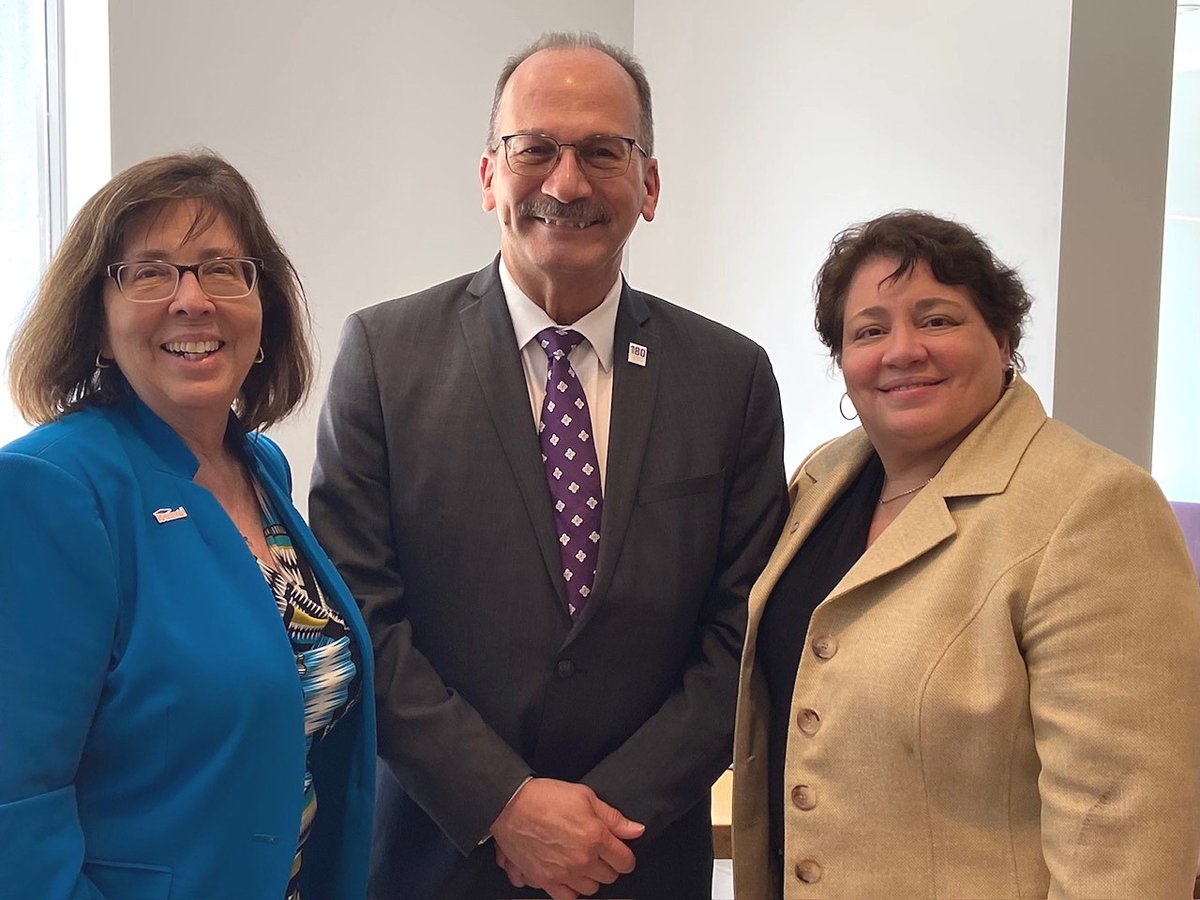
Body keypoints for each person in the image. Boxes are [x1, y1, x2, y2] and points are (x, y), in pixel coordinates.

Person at [311, 31, 786, 900]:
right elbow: (361, 614)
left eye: (603, 151)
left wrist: (600, 818)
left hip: (636, 859)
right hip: (435, 857)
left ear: (649, 185)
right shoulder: (384, 356)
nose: (566, 184)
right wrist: (506, 806)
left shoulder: (731, 378)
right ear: (490, 175)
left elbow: (743, 632)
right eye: (535, 149)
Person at [731, 209, 1200, 898]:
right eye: (868, 331)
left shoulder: (1095, 508)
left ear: (1003, 336)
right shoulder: (823, 480)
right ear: (843, 361)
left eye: (938, 319)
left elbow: (1124, 830)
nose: (902, 350)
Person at [0, 151, 375, 900]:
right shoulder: (50, 489)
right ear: (98, 326)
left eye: (221, 270)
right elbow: (15, 807)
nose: (191, 300)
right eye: (149, 273)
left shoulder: (261, 468)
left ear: (260, 305)